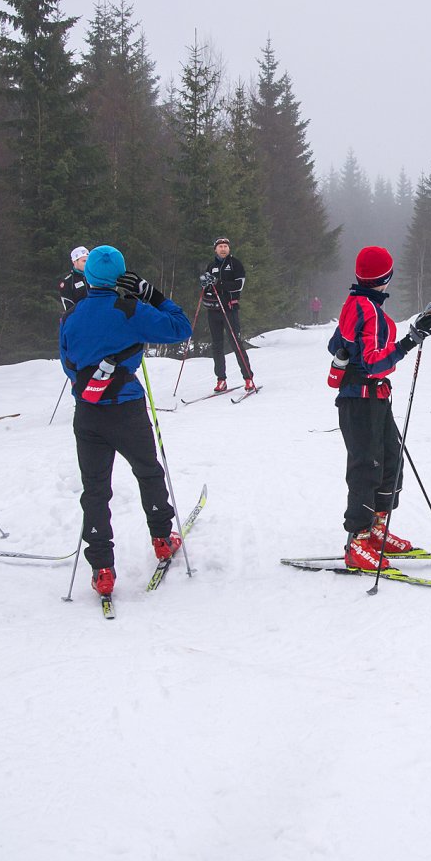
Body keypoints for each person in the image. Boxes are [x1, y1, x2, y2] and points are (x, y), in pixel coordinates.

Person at [60, 245, 194, 597]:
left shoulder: (71, 316)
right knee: (148, 471)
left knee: (95, 489)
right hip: (126, 409)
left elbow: (68, 364)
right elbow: (181, 328)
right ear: (120, 275)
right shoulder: (131, 308)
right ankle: (162, 538)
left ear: (88, 275)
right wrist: (153, 296)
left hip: (88, 412)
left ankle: (102, 568)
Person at [327, 246, 431, 570]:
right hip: (360, 400)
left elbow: (335, 345)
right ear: (386, 277)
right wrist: (410, 341)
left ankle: (376, 530)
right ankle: (357, 541)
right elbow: (374, 363)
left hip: (373, 398)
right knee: (366, 467)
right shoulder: (368, 310)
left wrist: (350, 351)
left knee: (391, 459)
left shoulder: (357, 303)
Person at [201, 236, 254, 393]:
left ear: (229, 249)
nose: (223, 249)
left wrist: (219, 283)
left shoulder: (235, 263)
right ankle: (221, 379)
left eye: (225, 246)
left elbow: (239, 285)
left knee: (236, 343)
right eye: (220, 246)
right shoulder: (211, 266)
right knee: (217, 345)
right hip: (213, 310)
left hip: (230, 309)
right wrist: (205, 285)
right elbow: (207, 287)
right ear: (215, 249)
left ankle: (248, 378)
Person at [57, 245, 89, 313]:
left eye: (88, 261)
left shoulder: (95, 276)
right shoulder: (68, 281)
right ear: (74, 261)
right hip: (80, 316)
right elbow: (68, 306)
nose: (87, 264)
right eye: (84, 261)